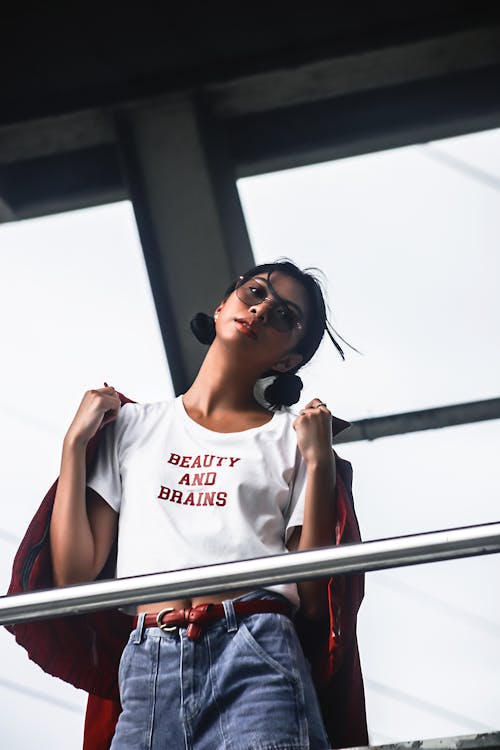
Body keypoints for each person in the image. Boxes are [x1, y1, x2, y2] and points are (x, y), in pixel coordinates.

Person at [10, 260, 367, 749]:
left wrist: (320, 462)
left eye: (284, 316)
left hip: (257, 650)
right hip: (148, 659)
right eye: (254, 293)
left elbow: (313, 591)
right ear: (223, 305)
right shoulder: (132, 426)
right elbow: (75, 575)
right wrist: (74, 444)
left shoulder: (294, 437)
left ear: (289, 359)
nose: (261, 309)